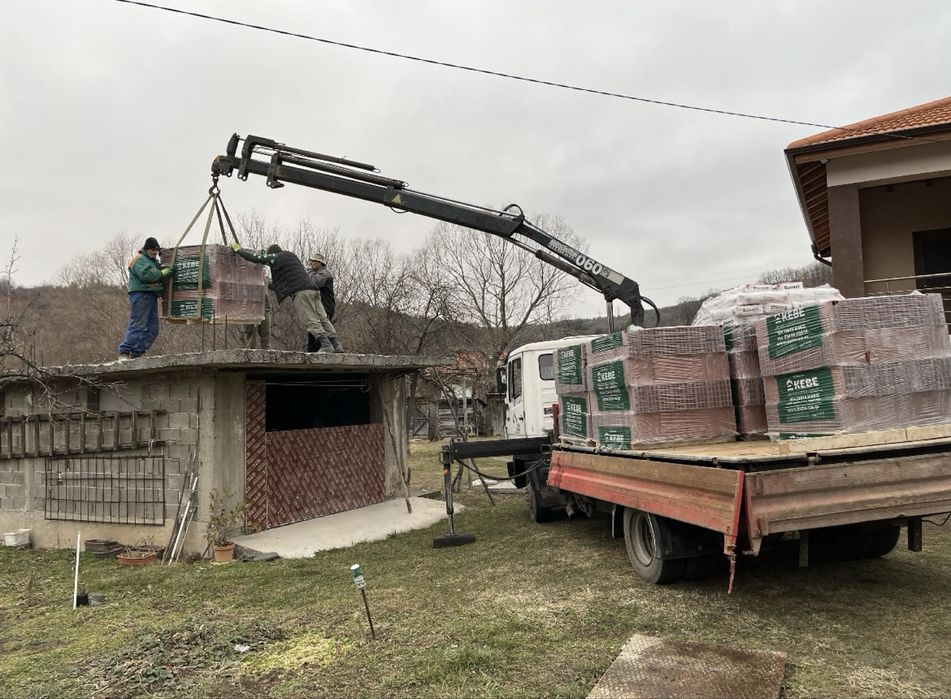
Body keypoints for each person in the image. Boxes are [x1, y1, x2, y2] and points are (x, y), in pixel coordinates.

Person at [230, 243, 343, 353]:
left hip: (302, 292)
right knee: (323, 319)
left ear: (273, 254)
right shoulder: (291, 256)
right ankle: (336, 345)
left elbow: (256, 258)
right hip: (314, 291)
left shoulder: (277, 257)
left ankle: (326, 344)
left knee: (310, 319)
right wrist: (266, 281)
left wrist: (239, 250)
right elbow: (280, 283)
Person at [116, 237, 176, 361]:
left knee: (153, 330)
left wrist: (166, 255)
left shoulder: (151, 261)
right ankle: (124, 352)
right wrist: (165, 272)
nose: (155, 252)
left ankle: (136, 355)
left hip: (151, 295)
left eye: (157, 250)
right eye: (153, 250)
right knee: (138, 324)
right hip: (141, 295)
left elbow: (158, 269)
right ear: (146, 249)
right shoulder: (140, 260)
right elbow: (147, 275)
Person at [306, 252, 337, 352]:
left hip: (325, 307)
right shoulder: (316, 273)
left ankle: (329, 350)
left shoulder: (325, 274)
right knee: (313, 333)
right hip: (317, 308)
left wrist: (308, 271)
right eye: (311, 261)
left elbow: (314, 282)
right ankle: (312, 354)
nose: (312, 263)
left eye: (314, 261)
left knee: (323, 332)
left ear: (320, 263)